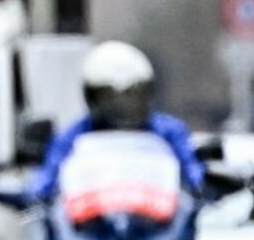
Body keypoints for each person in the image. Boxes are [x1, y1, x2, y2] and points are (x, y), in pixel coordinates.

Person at [24, 40, 204, 203]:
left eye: (133, 95)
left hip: (155, 223)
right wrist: (36, 191)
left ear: (148, 94)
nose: (123, 106)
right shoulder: (74, 135)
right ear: (91, 97)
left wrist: (201, 184)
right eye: (109, 98)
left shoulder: (169, 132)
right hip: (94, 223)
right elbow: (50, 173)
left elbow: (191, 168)